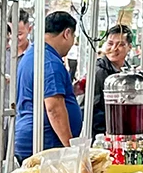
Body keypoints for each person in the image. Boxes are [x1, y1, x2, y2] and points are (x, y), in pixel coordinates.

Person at [14, 11, 81, 162]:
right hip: (45, 144)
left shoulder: (33, 54)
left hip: (32, 138)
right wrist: (70, 148)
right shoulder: (49, 62)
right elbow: (54, 109)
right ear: (67, 33)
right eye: (73, 37)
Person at [89, 24, 132, 137]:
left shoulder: (127, 72)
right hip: (105, 134)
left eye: (120, 44)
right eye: (110, 43)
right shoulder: (99, 71)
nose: (114, 48)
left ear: (129, 47)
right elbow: (96, 109)